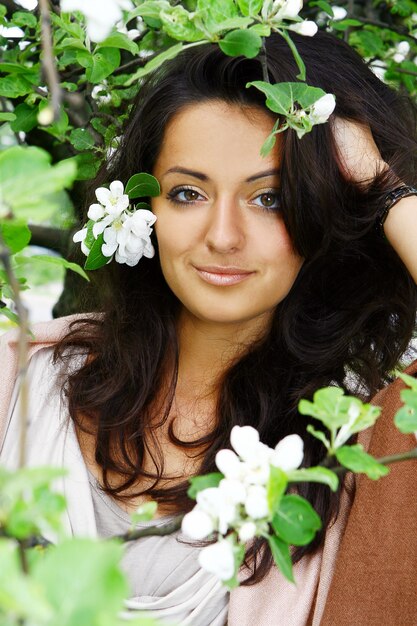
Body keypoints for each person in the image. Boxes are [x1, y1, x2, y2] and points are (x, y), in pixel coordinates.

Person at [1, 30, 417, 626]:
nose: (222, 236)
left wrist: (383, 186)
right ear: (148, 210)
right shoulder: (17, 377)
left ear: (322, 211)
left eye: (270, 200)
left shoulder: (350, 457)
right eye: (189, 193)